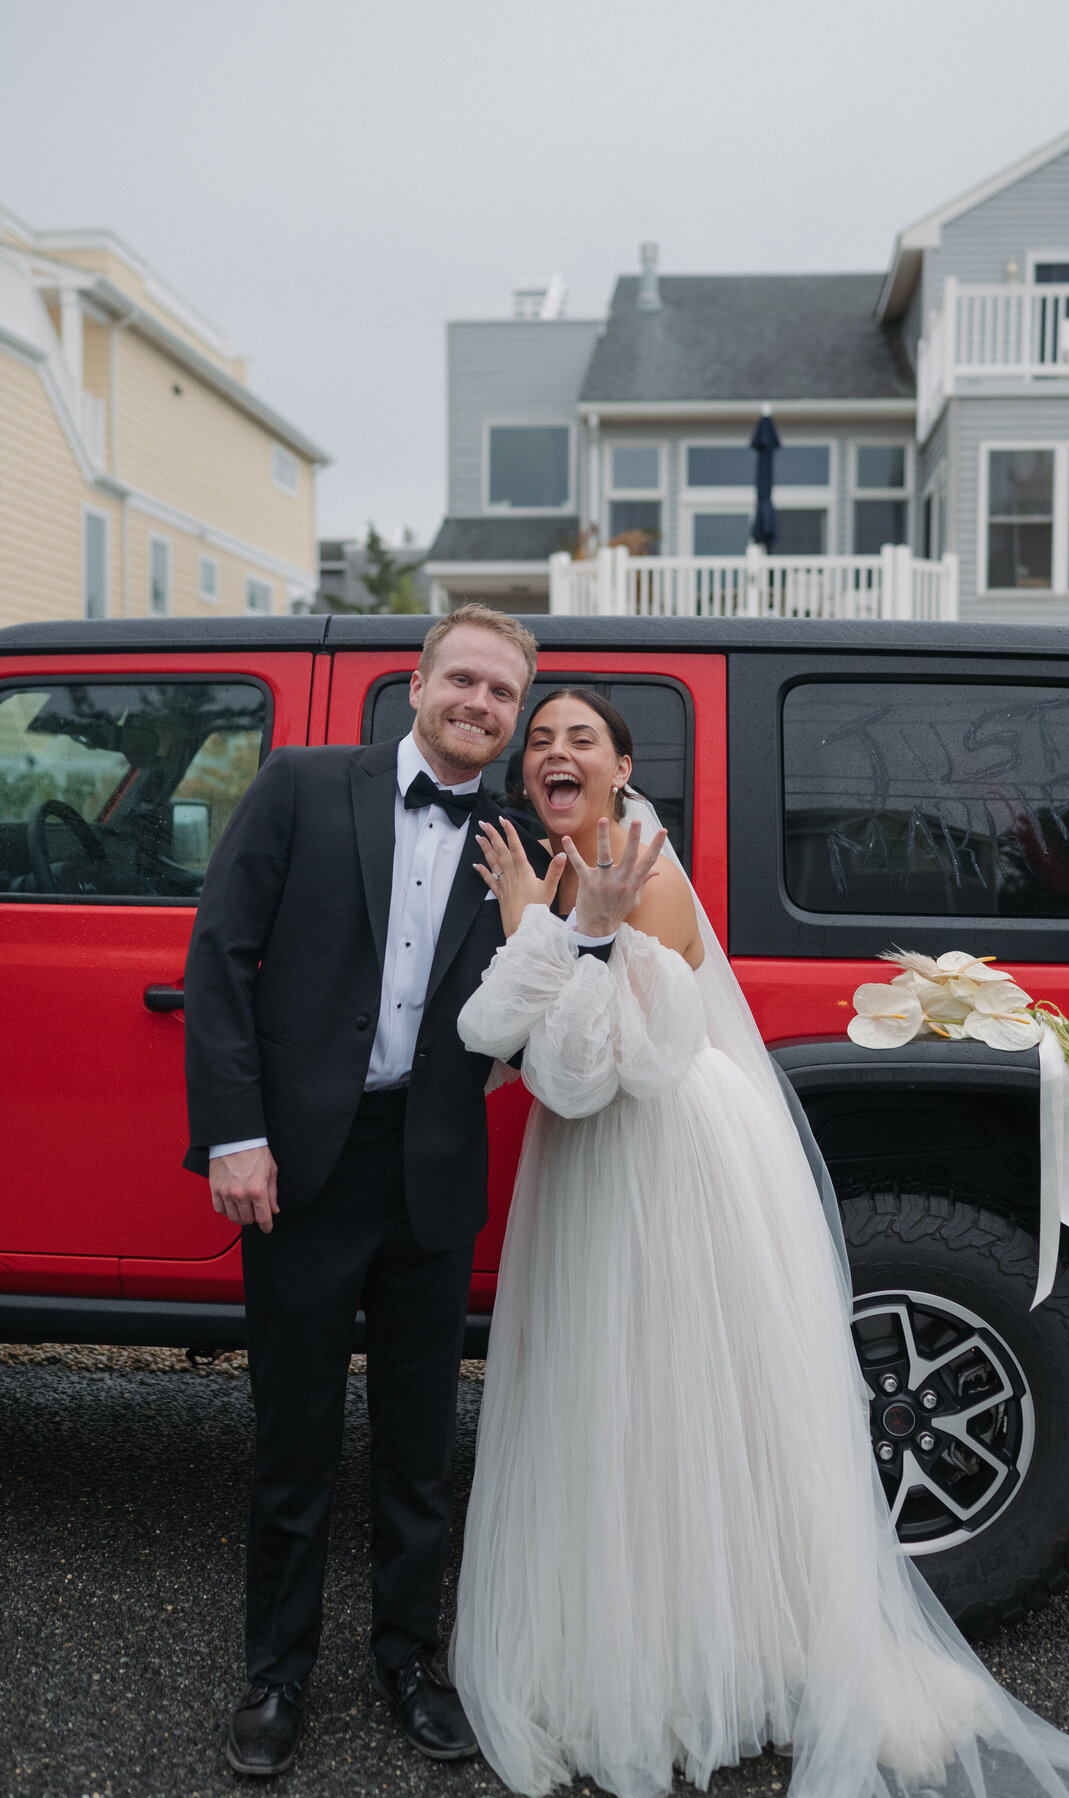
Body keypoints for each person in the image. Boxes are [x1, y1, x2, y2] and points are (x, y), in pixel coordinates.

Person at [452, 687, 1069, 1798]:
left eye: (582, 740)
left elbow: (598, 1067)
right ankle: (650, 1640)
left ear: (621, 765)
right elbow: (519, 1046)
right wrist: (543, 918)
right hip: (600, 1160)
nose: (556, 753)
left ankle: (693, 1669)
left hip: (663, 1156)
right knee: (611, 1400)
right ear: (529, 780)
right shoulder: (568, 868)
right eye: (542, 743)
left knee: (667, 1403)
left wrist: (539, 928)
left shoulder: (637, 870)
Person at [183, 609, 661, 1780]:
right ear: (417, 682)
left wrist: (584, 925)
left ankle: (410, 1660)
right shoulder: (300, 784)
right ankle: (276, 1674)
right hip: (299, 1163)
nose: (482, 704)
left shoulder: (521, 832)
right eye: (466, 680)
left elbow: (557, 985)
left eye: (504, 694)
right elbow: (218, 954)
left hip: (435, 1162)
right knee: (292, 1435)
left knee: (418, 1445)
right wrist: (235, 1137)